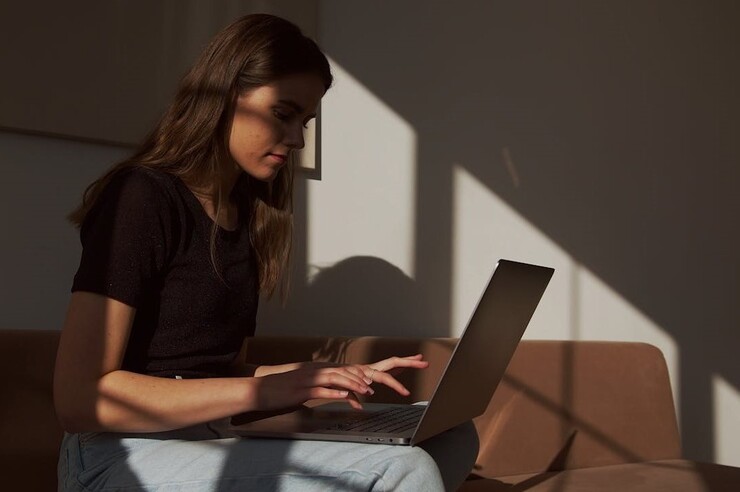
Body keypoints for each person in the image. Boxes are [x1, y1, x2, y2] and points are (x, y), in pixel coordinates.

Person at [54, 13, 478, 491]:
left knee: (449, 436)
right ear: (224, 95)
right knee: (404, 469)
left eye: (306, 120)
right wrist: (266, 388)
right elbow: (78, 398)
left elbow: (216, 372)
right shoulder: (141, 197)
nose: (297, 138)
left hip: (214, 436)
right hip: (119, 454)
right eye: (284, 113)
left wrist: (316, 377)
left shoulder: (247, 215)